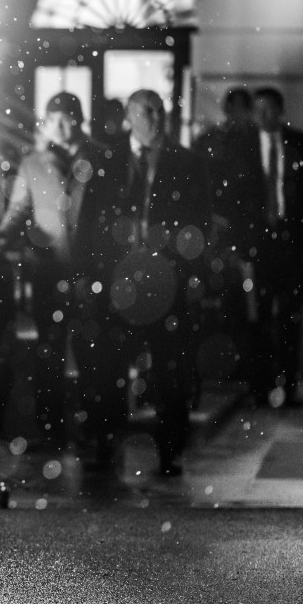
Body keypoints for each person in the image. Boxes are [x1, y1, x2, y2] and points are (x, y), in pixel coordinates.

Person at [81, 89, 211, 477]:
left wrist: (193, 276)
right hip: (117, 279)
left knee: (170, 367)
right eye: (145, 111)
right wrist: (88, 275)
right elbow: (90, 222)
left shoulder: (185, 162)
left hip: (166, 280)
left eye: (158, 111)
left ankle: (171, 449)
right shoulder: (107, 160)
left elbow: (199, 223)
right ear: (130, 116)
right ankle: (106, 444)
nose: (153, 118)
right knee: (109, 366)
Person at [0, 91, 105, 444]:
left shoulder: (100, 158)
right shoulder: (33, 163)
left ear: (79, 119)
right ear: (46, 123)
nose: (61, 125)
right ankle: (50, 425)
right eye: (54, 119)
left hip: (90, 269)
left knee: (91, 349)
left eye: (67, 117)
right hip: (49, 270)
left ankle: (94, 427)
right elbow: (19, 209)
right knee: (49, 350)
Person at [249, 87, 303, 408]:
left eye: (268, 109)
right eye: (258, 109)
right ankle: (260, 388)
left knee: (290, 318)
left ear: (280, 110)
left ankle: (288, 386)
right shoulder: (245, 145)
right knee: (259, 318)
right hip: (258, 244)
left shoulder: (299, 142)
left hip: (291, 242)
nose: (263, 116)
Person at [193, 88, 264, 382]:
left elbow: (258, 190)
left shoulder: (254, 141)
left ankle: (240, 368)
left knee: (243, 304)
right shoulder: (213, 140)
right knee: (222, 301)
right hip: (220, 231)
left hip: (243, 232)